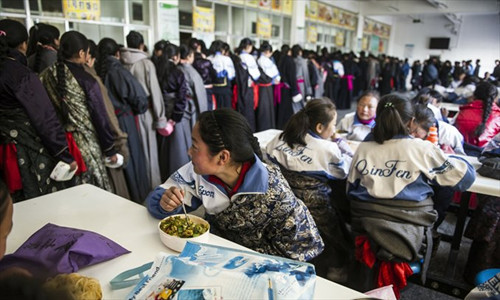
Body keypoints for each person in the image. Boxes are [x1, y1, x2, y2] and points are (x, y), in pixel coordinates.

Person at [146, 109, 324, 262]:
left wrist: (233, 260)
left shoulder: (275, 194)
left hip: (253, 265)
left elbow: (294, 254)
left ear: (222, 157)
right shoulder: (200, 172)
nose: (188, 152)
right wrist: (165, 203)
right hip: (214, 252)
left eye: (195, 146)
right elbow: (159, 197)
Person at [346, 94, 476, 294]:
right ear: (411, 122)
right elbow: (465, 179)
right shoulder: (421, 148)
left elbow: (350, 190)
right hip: (408, 238)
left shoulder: (364, 147)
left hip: (366, 231)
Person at [265, 98, 352, 278]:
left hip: (285, 202)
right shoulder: (327, 148)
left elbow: (268, 155)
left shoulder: (282, 136)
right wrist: (344, 147)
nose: (334, 129)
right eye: (333, 124)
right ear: (320, 127)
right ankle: (337, 267)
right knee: (338, 227)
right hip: (316, 208)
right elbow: (343, 172)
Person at [0, 19, 76, 202]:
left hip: (4, 152)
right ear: (24, 44)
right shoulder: (21, 75)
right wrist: (64, 154)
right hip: (26, 154)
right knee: (39, 203)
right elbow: (44, 118)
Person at [39, 31, 117, 191]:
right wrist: (110, 149)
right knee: (95, 191)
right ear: (82, 53)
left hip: (59, 145)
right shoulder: (87, 80)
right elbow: (101, 118)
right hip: (86, 146)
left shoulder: (46, 75)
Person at [96, 37, 151, 203]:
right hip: (124, 119)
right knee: (133, 158)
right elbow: (140, 99)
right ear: (117, 53)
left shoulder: (97, 70)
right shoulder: (119, 71)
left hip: (106, 122)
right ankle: (139, 197)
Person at [121, 31, 171, 189]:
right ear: (141, 45)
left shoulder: (120, 61)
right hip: (145, 113)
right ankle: (152, 186)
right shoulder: (146, 63)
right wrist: (160, 118)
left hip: (127, 115)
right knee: (149, 151)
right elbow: (155, 92)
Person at [85, 40, 130, 200]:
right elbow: (107, 117)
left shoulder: (50, 75)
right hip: (101, 144)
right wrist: (119, 146)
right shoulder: (91, 80)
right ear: (85, 55)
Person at [156, 42, 191, 180]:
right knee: (177, 147)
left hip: (160, 112)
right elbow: (182, 96)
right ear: (176, 57)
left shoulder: (157, 69)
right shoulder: (177, 72)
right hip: (174, 113)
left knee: (163, 148)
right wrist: (176, 117)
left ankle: (164, 174)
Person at [455, 81, 500, 148]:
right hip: (487, 155)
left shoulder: (463, 111)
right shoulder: (498, 115)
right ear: (495, 99)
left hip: (461, 151)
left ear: (474, 95)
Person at [178, 44, 208, 121]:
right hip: (189, 107)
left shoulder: (176, 68)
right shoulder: (191, 72)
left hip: (177, 106)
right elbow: (200, 95)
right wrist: (203, 115)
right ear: (189, 56)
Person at [276, 45, 300, 129]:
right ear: (289, 51)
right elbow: (292, 77)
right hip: (287, 88)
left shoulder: (279, 59)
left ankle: (279, 125)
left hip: (280, 87)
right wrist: (295, 90)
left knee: (281, 108)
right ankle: (286, 126)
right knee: (287, 109)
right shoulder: (289, 60)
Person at [256, 42, 280, 131]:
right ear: (267, 51)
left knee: (267, 108)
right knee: (265, 109)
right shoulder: (262, 60)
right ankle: (265, 127)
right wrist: (273, 80)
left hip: (267, 86)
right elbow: (268, 75)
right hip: (264, 87)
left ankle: (268, 126)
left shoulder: (262, 59)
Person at [207, 40, 235, 109]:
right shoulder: (226, 59)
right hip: (224, 90)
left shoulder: (208, 59)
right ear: (221, 49)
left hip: (212, 90)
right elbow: (232, 75)